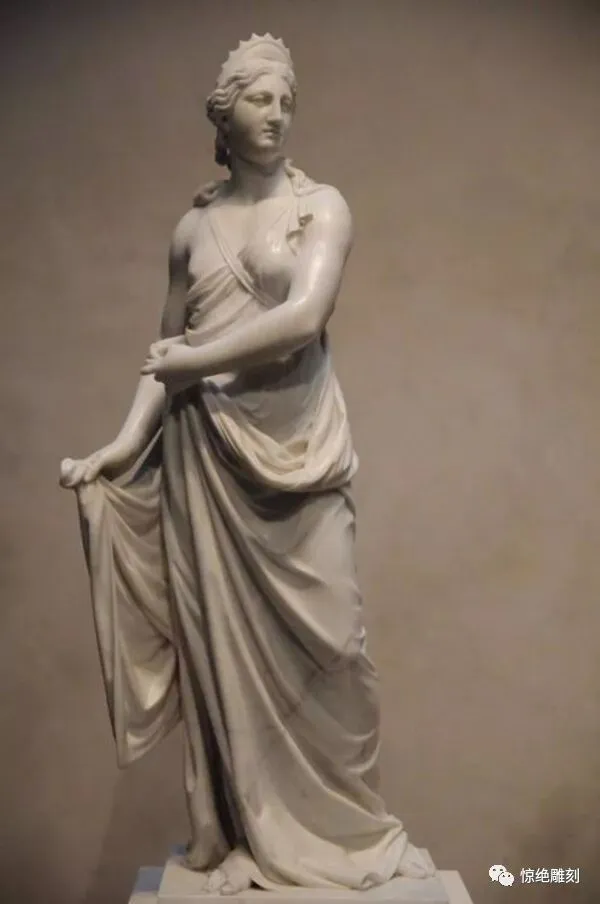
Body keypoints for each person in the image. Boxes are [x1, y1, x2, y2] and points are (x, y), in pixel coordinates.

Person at [60, 34, 434, 896]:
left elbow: (303, 318)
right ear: (222, 118)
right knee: (220, 655)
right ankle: (240, 833)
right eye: (261, 99)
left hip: (299, 452)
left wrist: (193, 362)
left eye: (287, 100)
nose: (278, 115)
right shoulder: (192, 231)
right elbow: (163, 353)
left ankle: (344, 832)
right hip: (207, 460)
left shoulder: (323, 207)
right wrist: (122, 445)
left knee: (338, 647)